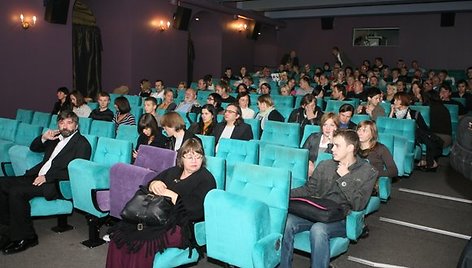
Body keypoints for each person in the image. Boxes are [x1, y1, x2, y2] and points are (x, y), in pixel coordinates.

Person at [106, 138, 216, 268]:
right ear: (181, 158)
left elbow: (196, 210)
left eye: (198, 157)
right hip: (155, 218)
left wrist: (172, 195)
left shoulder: (206, 178)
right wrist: (154, 184)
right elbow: (148, 186)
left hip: (180, 225)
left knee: (141, 243)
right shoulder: (174, 171)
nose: (194, 161)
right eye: (190, 157)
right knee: (121, 235)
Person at [281, 129, 377, 268]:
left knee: (318, 229)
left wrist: (345, 178)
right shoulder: (325, 165)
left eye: (337, 145)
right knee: (287, 222)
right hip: (318, 211)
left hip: (342, 217)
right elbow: (308, 190)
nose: (332, 149)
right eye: (332, 145)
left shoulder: (367, 172)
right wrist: (283, 194)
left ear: (350, 148)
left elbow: (359, 205)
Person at [0, 111, 92, 254]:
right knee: (2, 183)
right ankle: (6, 231)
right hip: (36, 175)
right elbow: (34, 148)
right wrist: (43, 137)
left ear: (76, 125)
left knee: (17, 192)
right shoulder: (55, 138)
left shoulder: (82, 144)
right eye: (61, 123)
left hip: (56, 184)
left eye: (69, 123)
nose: (65, 126)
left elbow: (76, 170)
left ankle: (26, 237)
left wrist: (48, 178)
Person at [389, 92, 442, 171]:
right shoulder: (393, 114)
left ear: (404, 101)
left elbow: (424, 129)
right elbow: (388, 126)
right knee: (418, 132)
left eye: (397, 100)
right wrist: (391, 112)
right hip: (396, 137)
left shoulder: (415, 113)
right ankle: (430, 162)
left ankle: (430, 160)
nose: (394, 102)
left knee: (418, 131)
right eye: (395, 99)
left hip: (414, 137)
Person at [357, 120, 398, 193]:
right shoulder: (353, 147)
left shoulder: (381, 148)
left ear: (372, 134)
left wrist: (373, 173)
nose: (360, 133)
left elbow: (393, 171)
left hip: (370, 182)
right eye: (359, 130)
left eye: (364, 131)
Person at [302, 112, 339, 177]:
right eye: (325, 125)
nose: (328, 128)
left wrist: (331, 143)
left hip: (326, 174)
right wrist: (308, 161)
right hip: (308, 171)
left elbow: (331, 162)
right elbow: (302, 154)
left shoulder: (338, 143)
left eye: (332, 125)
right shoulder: (313, 137)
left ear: (336, 127)